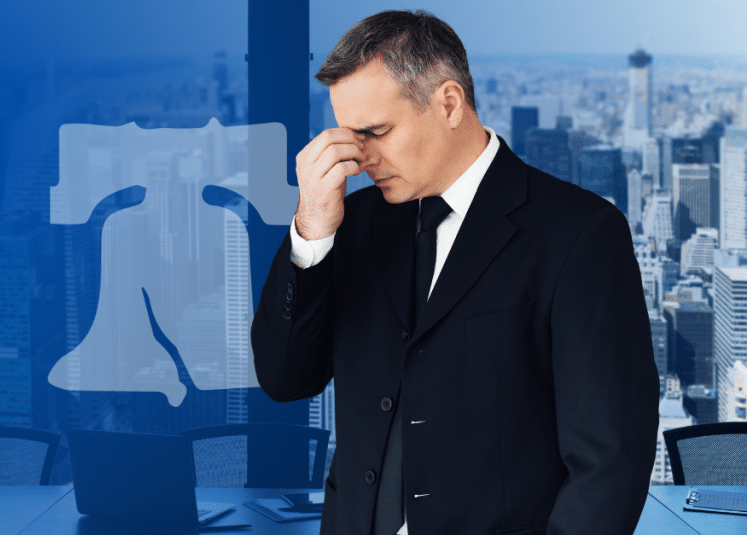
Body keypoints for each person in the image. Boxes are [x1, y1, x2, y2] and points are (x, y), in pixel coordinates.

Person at [250, 10, 658, 535]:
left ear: (448, 103)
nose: (361, 158)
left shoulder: (578, 234)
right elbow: (285, 380)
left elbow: (610, 459)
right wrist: (311, 230)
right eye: (349, 135)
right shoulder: (354, 224)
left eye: (376, 131)